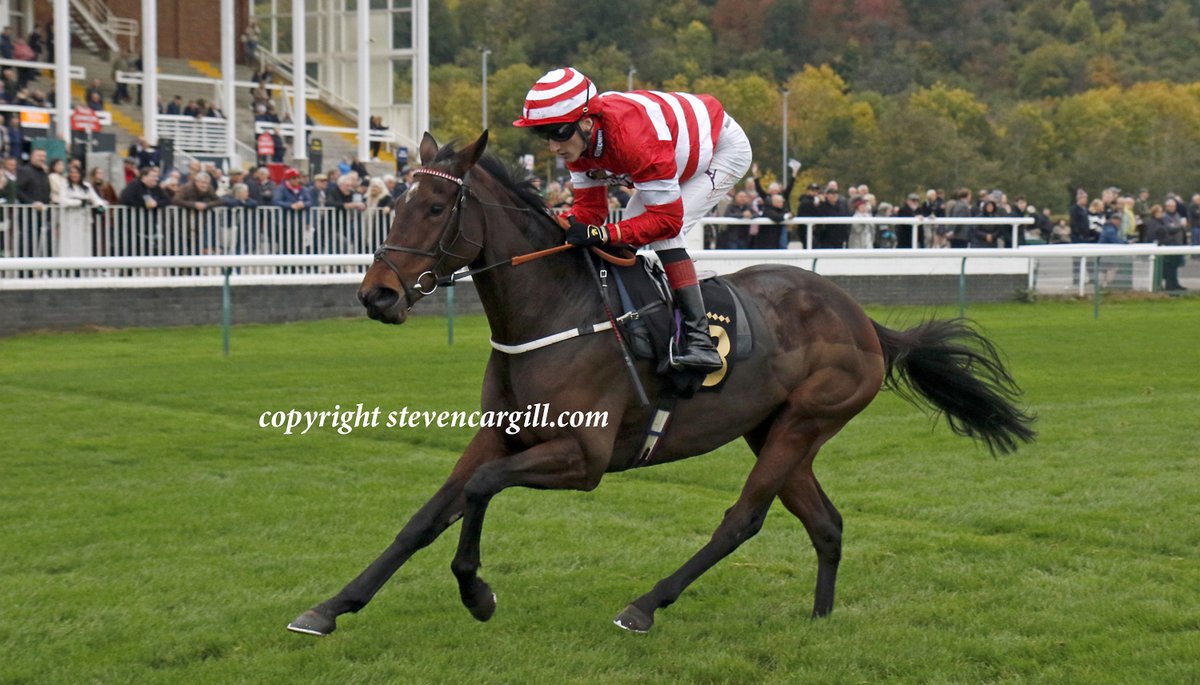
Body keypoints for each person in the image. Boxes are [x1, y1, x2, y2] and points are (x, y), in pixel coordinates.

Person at [512, 67, 753, 373]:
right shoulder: (581, 144)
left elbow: (666, 221)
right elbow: (590, 214)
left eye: (559, 132)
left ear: (587, 123)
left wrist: (602, 233)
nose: (554, 147)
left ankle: (700, 341)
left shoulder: (633, 139)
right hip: (675, 149)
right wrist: (564, 225)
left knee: (661, 234)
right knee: (626, 227)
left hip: (722, 149)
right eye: (544, 135)